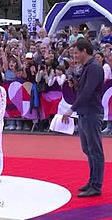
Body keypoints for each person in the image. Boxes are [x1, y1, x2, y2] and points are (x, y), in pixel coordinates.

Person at [62, 39, 104, 197]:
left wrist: (71, 108)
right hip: (85, 112)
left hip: (92, 112)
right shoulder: (88, 67)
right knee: (88, 149)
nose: (74, 56)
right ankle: (93, 181)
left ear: (84, 51)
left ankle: (96, 185)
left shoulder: (94, 68)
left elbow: (88, 92)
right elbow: (84, 91)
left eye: (76, 52)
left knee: (95, 150)